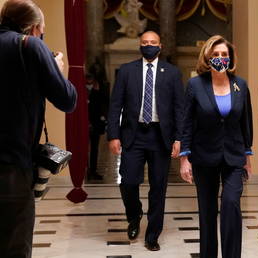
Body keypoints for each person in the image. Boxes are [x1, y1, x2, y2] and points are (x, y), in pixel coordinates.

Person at [0, 0, 77, 257]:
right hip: (11, 162)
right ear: (34, 27)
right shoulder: (30, 45)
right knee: (15, 242)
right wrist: (58, 71)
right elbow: (67, 100)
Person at [107, 30, 184, 251]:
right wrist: (113, 135)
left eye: (153, 42)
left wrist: (179, 139)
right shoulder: (126, 71)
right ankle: (134, 214)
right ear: (139, 45)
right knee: (128, 181)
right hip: (133, 135)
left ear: (160, 46)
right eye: (145, 42)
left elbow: (180, 109)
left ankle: (152, 235)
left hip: (161, 137)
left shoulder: (172, 73)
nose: (148, 45)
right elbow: (115, 106)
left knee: (158, 187)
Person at [179, 35, 253, 258]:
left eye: (224, 55)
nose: (220, 58)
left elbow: (245, 122)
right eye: (216, 55)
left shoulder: (240, 85)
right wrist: (184, 157)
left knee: (231, 205)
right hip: (204, 156)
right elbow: (187, 122)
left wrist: (247, 156)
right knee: (208, 212)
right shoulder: (195, 85)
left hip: (234, 157)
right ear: (208, 58)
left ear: (230, 58)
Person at [86, 73, 107, 180]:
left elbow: (103, 103)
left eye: (91, 78)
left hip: (96, 123)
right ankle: (86, 171)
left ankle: (93, 171)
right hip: (84, 123)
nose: (89, 80)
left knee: (95, 149)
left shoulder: (99, 89)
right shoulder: (81, 89)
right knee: (84, 149)